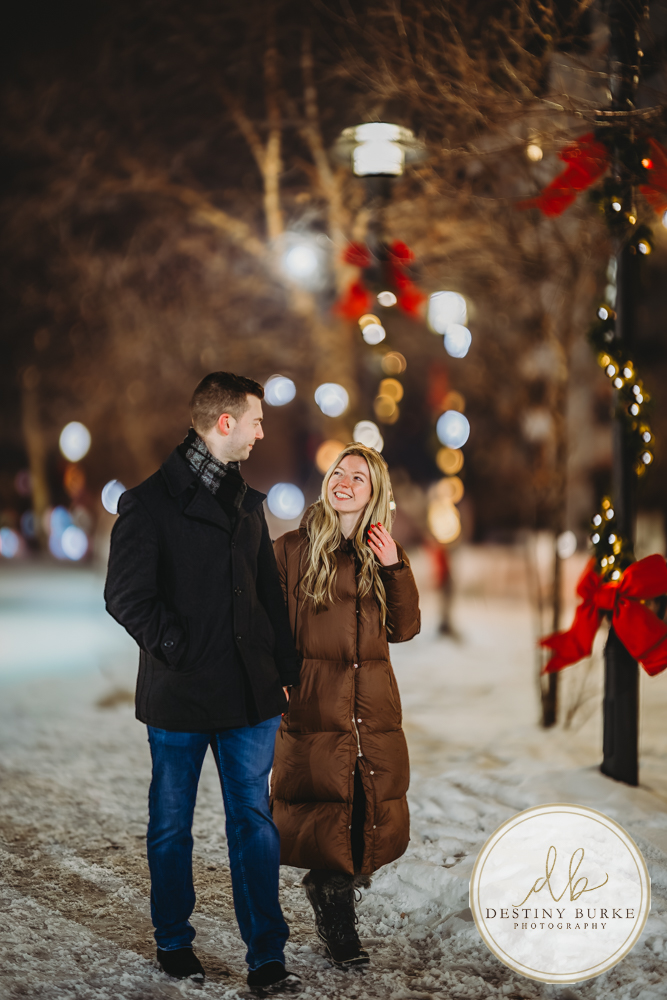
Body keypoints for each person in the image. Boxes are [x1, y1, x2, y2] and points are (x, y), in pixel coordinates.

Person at [104, 372, 302, 995]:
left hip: (249, 695)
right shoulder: (147, 503)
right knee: (171, 823)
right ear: (225, 423)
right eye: (255, 420)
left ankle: (266, 954)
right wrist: (175, 647)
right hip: (180, 694)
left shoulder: (245, 501)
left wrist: (287, 669)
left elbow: (268, 589)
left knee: (253, 822)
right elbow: (126, 596)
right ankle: (172, 939)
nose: (261, 430)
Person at [271, 443, 420, 969]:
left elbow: (404, 629)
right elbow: (266, 626)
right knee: (330, 812)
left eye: (359, 477)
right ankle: (336, 913)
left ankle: (332, 889)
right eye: (340, 472)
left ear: (374, 494)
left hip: (372, 709)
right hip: (315, 705)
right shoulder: (290, 549)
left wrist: (394, 566)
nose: (345, 481)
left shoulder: (384, 554)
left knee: (368, 813)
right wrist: (276, 680)